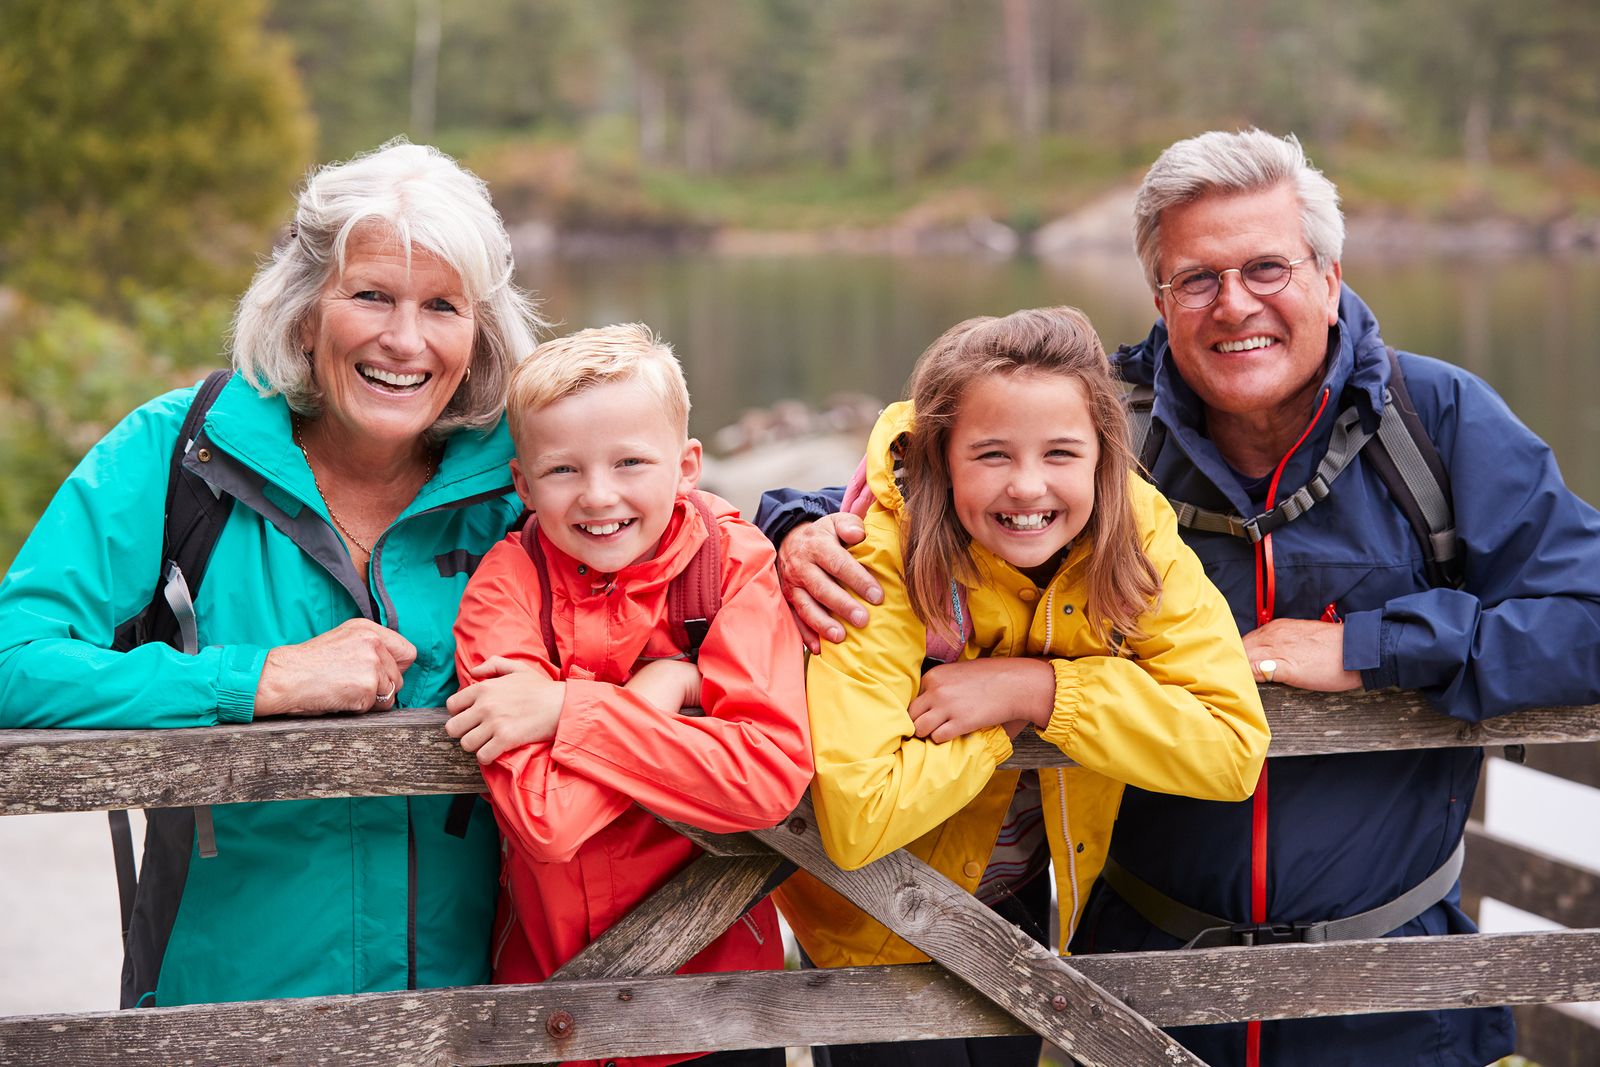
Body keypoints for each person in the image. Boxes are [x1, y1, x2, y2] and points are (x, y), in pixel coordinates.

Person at [760, 129, 1600, 1066]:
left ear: (1329, 274)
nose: (1233, 303)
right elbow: (926, 464)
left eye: (1267, 267)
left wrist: (1376, 647)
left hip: (1391, 988)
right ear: (1158, 297)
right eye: (1196, 278)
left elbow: (1588, 619)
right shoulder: (1095, 428)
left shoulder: (1437, 424)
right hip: (1133, 977)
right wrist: (790, 520)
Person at [0, 141, 542, 1007]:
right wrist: (260, 678)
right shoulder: (178, 454)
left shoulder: (532, 477)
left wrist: (792, 537)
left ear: (477, 332)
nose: (404, 340)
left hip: (477, 1022)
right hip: (221, 1020)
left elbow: (696, 565)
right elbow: (13, 660)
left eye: (442, 304)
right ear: (303, 312)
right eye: (371, 295)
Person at [773, 306, 1268, 1067]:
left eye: (1061, 452)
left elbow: (1233, 749)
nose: (1029, 485)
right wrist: (999, 731)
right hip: (878, 927)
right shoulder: (875, 555)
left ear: (1104, 455)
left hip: (1024, 913)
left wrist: (1038, 692)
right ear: (942, 457)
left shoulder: (1136, 534)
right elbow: (858, 813)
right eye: (993, 454)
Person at [445, 324, 812, 1067]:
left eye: (630, 462)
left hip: (719, 1006)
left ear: (686, 466)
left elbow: (769, 774)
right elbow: (547, 821)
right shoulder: (504, 591)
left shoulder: (732, 566)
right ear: (521, 483)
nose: (599, 495)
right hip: (551, 1005)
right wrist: (670, 687)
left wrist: (567, 710)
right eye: (563, 470)